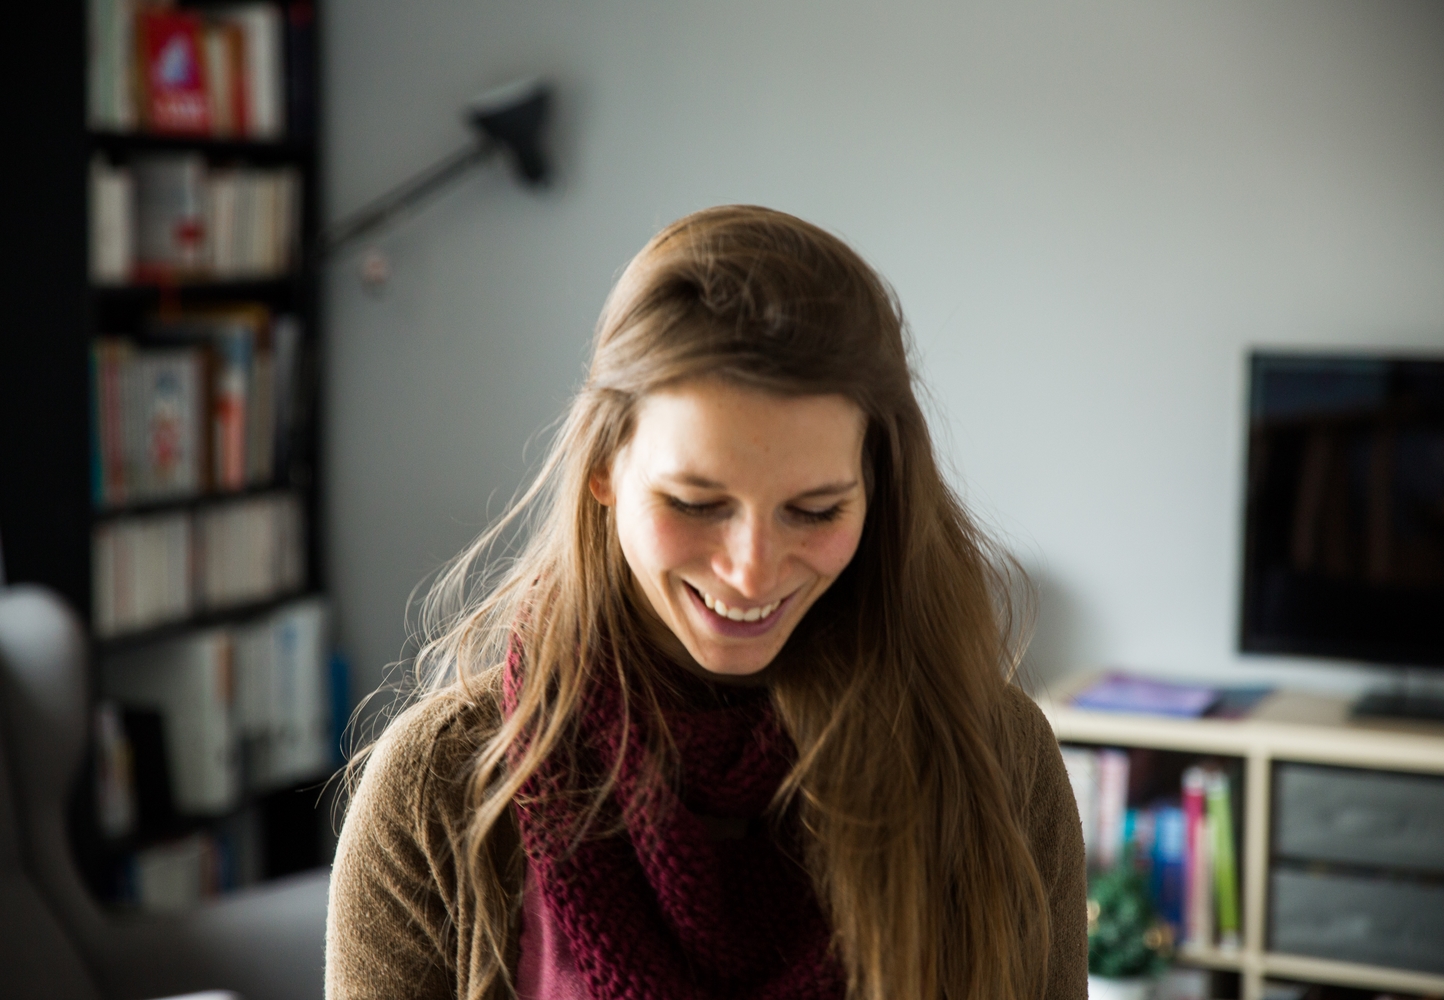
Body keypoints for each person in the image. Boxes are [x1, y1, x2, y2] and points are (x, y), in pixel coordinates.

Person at [326, 205, 1087, 1000]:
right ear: (604, 471)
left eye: (816, 510)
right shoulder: (436, 787)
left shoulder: (997, 763)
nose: (751, 572)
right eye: (695, 503)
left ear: (879, 493)